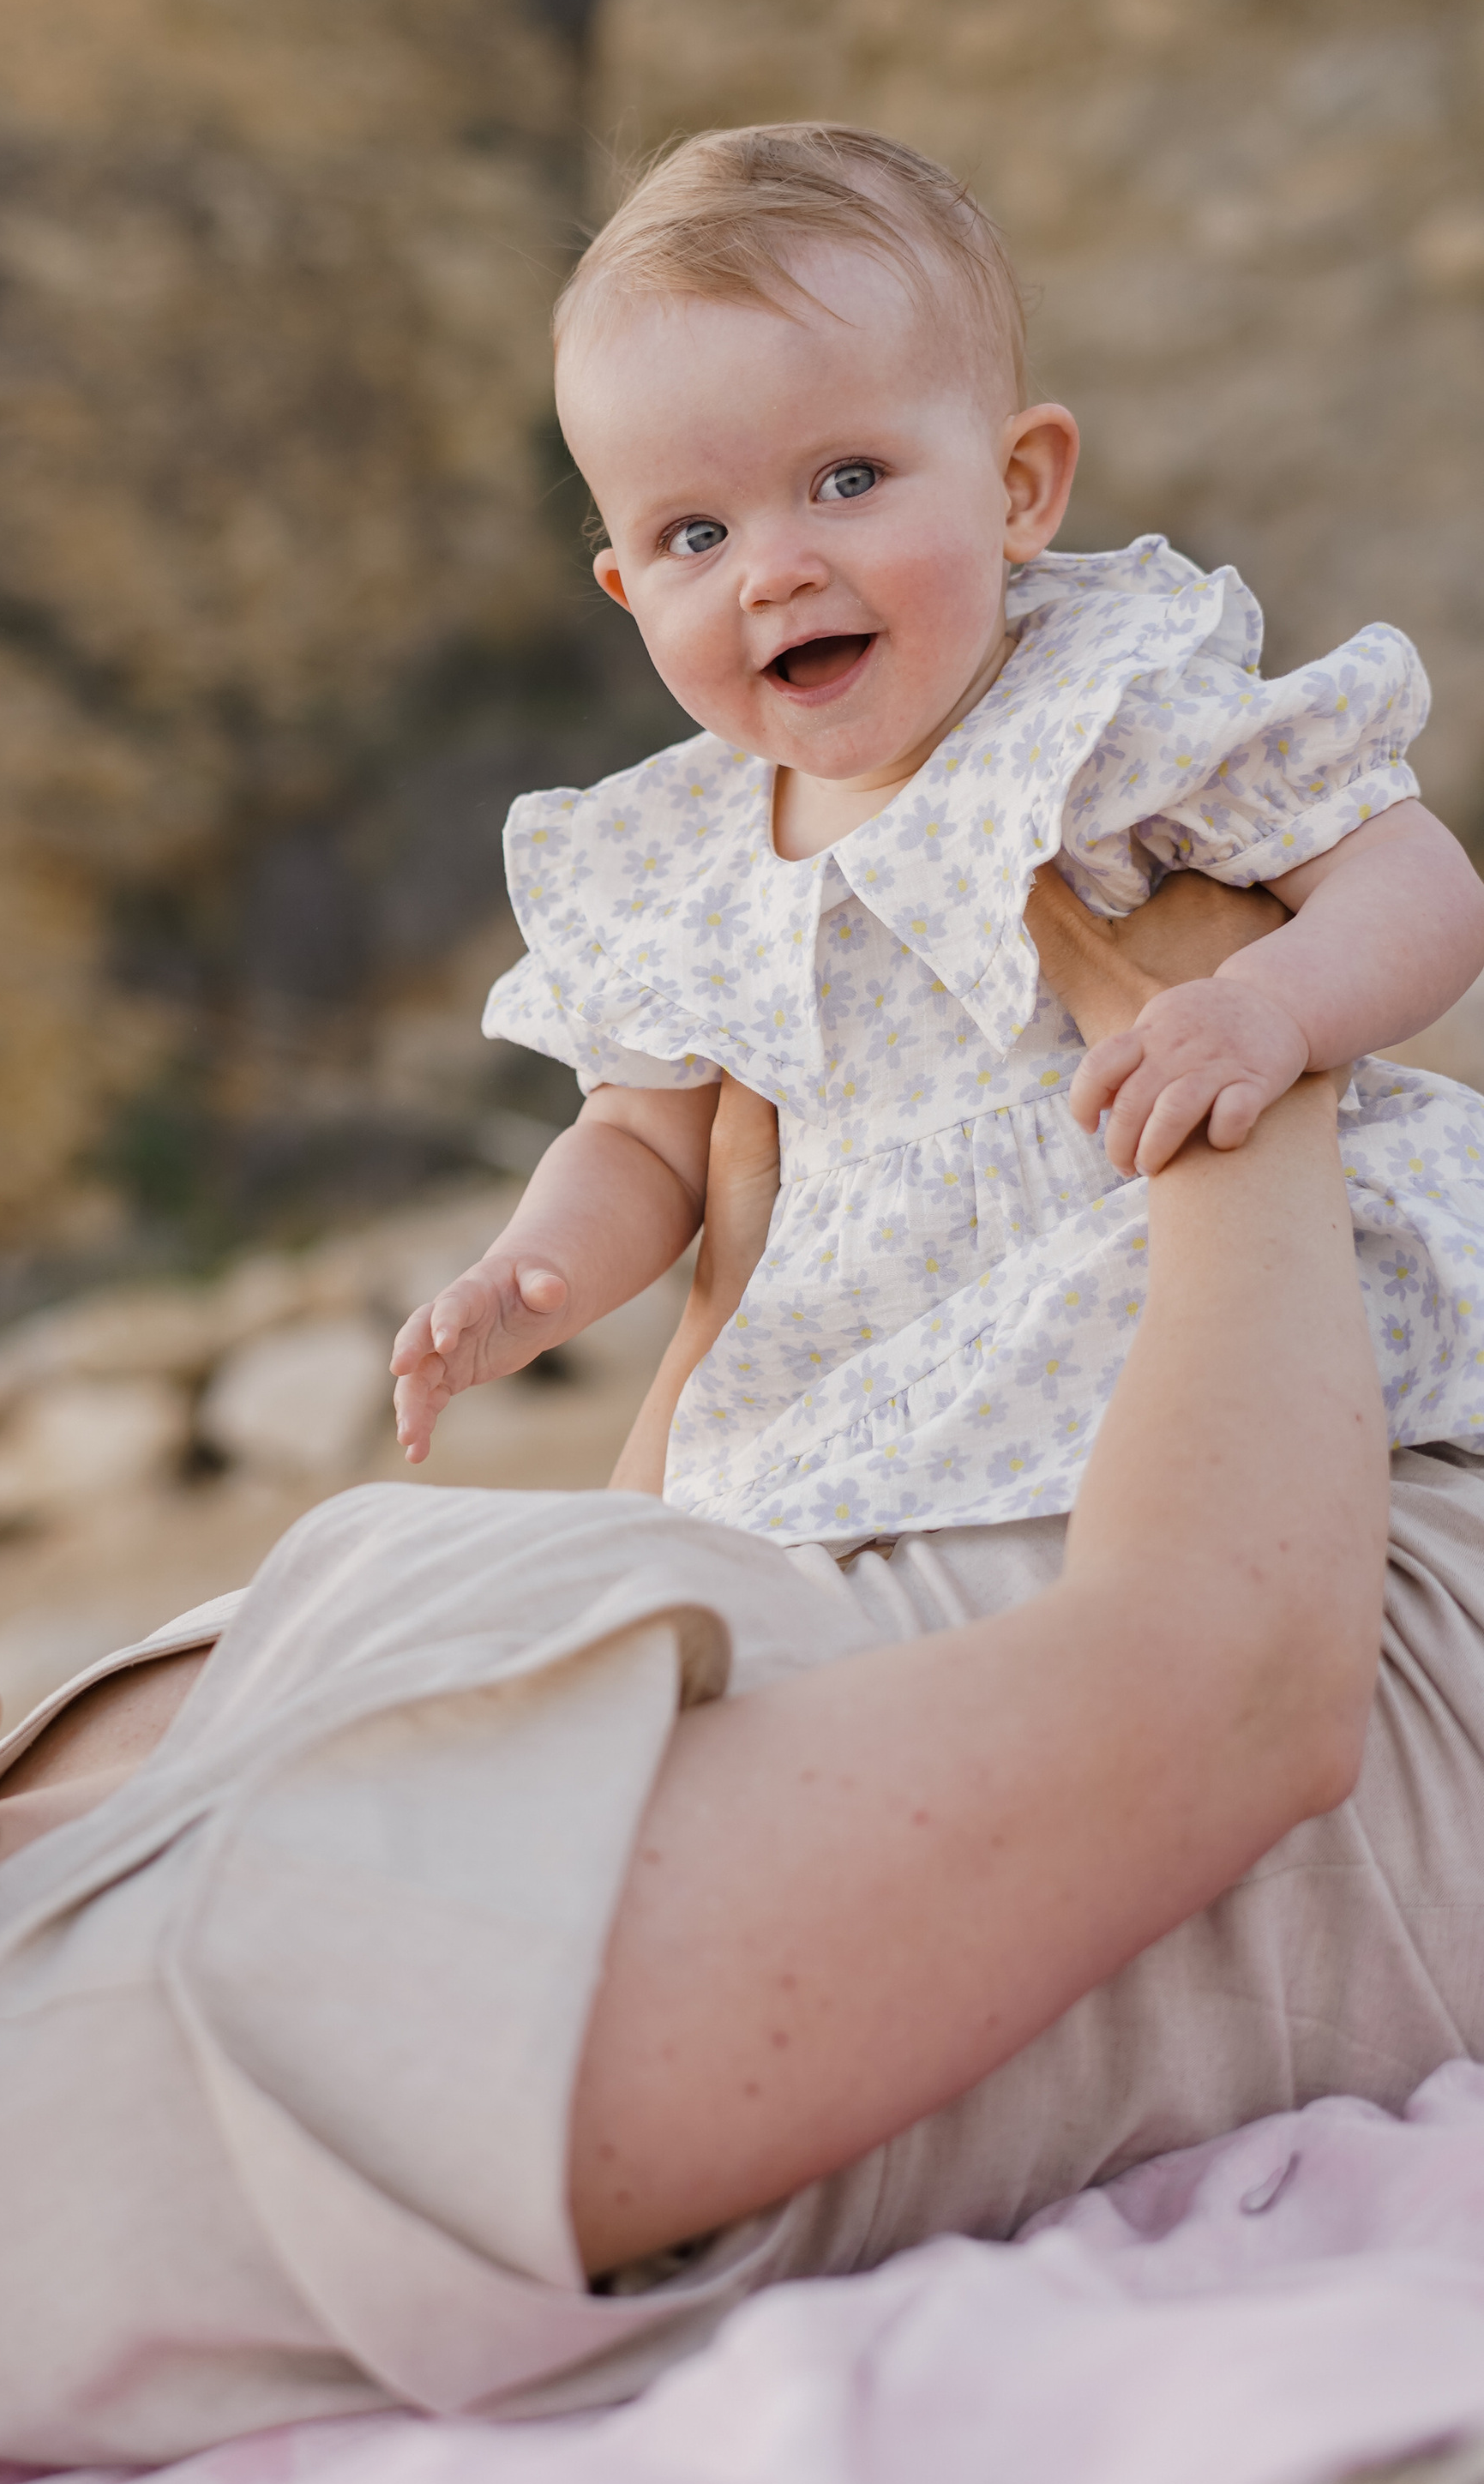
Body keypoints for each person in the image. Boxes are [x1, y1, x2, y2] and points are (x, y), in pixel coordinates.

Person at [0, 881, 1476, 2472]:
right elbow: (1222, 1699)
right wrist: (1221, 1062)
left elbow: (658, 1766)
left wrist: (721, 1331)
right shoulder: (205, 2033)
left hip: (1279, 1483)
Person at [391, 123, 1484, 1548]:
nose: (775, 571)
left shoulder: (1100, 712)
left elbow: (1417, 879)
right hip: (872, 1382)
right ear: (624, 591)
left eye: (847, 479)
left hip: (1174, 1285)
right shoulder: (676, 862)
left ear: (1018, 486)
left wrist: (1273, 1010)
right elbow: (646, 1146)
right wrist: (533, 1270)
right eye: (695, 537)